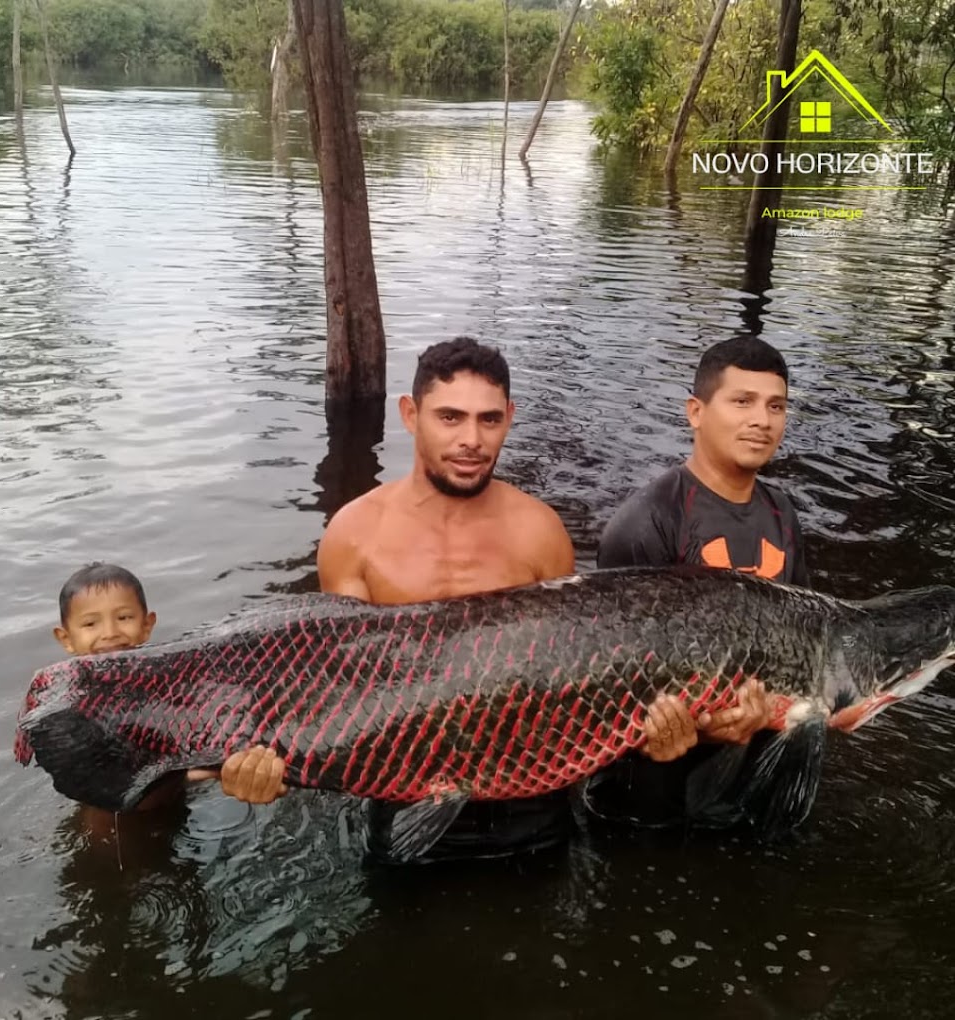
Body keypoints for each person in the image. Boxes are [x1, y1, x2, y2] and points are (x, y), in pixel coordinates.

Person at [317, 336, 578, 861]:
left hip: (530, 793)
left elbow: (571, 671)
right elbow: (348, 689)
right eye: (451, 417)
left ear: (509, 417)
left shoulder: (540, 531)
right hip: (403, 786)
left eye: (488, 419)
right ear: (411, 415)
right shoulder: (354, 534)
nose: (472, 440)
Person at [586, 335, 809, 828]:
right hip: (652, 780)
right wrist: (710, 727)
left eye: (776, 406)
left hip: (749, 765)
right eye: (742, 401)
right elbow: (608, 683)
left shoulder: (783, 514)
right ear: (696, 411)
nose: (762, 420)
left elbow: (803, 641)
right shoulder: (648, 521)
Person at [53, 562, 288, 818]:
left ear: (147, 625)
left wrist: (230, 768)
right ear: (66, 639)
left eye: (124, 618)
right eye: (90, 624)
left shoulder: (169, 692)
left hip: (175, 808)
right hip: (111, 824)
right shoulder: (72, 708)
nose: (110, 633)